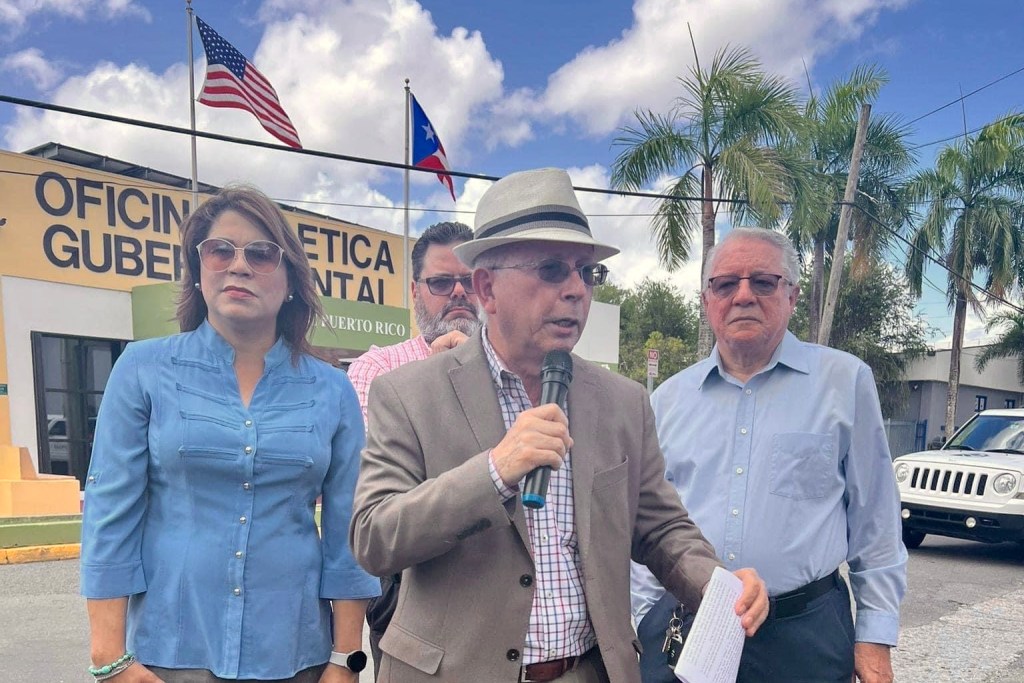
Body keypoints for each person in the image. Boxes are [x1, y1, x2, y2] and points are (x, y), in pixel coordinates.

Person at [350, 168, 769, 683]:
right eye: (551, 269)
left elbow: (661, 527)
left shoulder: (623, 402)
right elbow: (374, 537)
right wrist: (494, 472)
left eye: (586, 272)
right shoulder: (408, 393)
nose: (576, 290)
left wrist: (718, 585)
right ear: (487, 288)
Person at [80, 186, 380, 683]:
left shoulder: (332, 389)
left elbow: (348, 531)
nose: (239, 266)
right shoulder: (142, 369)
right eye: (221, 251)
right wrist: (108, 657)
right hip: (169, 654)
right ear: (198, 272)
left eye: (261, 254)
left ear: (290, 281)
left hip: (295, 655)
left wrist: (344, 659)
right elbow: (110, 514)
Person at [632, 227, 907, 683]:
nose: (743, 296)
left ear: (792, 295)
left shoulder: (844, 382)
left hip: (804, 633)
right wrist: (644, 618)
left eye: (763, 282)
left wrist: (875, 635)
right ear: (706, 299)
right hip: (688, 625)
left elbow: (875, 519)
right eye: (726, 284)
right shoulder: (668, 400)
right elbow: (648, 520)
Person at [346, 220, 481, 676]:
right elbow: (382, 493)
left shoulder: (519, 372)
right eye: (441, 282)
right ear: (415, 292)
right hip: (408, 584)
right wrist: (441, 381)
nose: (458, 293)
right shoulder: (377, 369)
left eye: (469, 280)